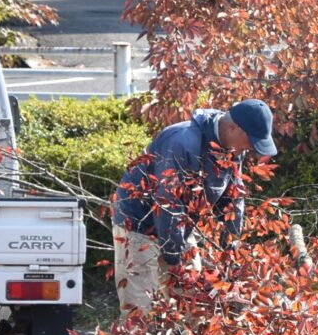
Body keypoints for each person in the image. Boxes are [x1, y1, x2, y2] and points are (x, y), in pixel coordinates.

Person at [111, 100, 276, 315]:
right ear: (233, 127)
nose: (251, 148)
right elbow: (168, 203)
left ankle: (186, 334)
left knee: (196, 303)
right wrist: (174, 259)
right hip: (138, 224)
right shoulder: (182, 142)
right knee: (141, 311)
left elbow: (233, 196)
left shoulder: (233, 148)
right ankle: (143, 333)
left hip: (180, 223)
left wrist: (231, 247)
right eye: (250, 141)